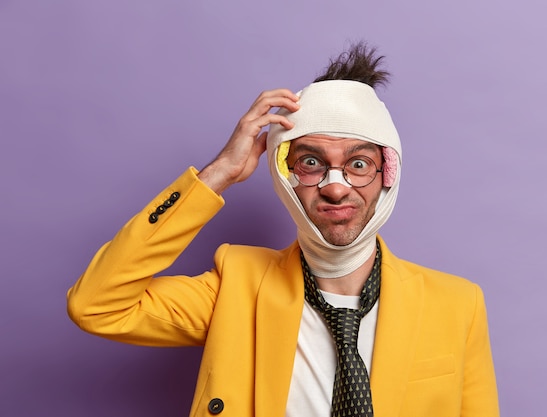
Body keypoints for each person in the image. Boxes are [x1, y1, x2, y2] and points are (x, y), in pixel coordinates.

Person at [67, 42, 499, 417]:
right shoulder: (234, 287)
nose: (336, 187)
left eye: (359, 164)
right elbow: (96, 306)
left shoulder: (458, 306)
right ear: (283, 174)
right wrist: (218, 174)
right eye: (310, 162)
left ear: (388, 173)